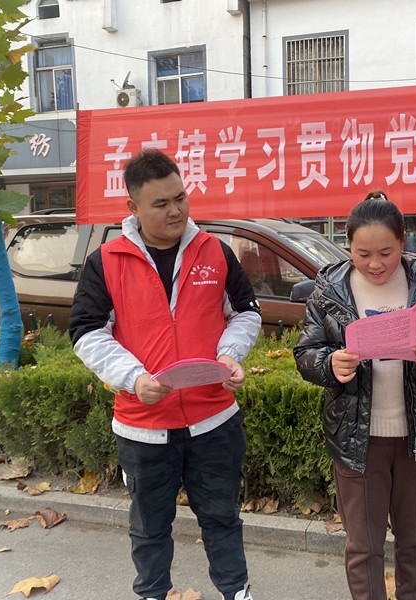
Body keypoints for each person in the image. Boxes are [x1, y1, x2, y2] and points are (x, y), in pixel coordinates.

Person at [69, 148, 261, 600]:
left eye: (180, 198)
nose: (176, 210)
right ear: (133, 207)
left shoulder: (214, 251)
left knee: (222, 518)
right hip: (143, 427)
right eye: (161, 203)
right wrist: (134, 378)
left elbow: (246, 312)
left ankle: (237, 592)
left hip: (214, 420)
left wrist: (230, 355)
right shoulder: (106, 261)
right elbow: (86, 332)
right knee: (149, 527)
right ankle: (153, 594)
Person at [293, 191, 416, 600]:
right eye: (362, 253)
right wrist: (329, 364)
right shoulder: (330, 289)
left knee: (415, 542)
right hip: (357, 439)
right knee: (363, 546)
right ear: (348, 245)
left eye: (386, 252)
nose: (374, 264)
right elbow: (306, 352)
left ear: (404, 241)